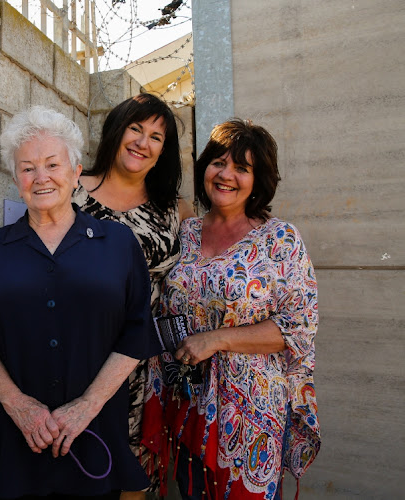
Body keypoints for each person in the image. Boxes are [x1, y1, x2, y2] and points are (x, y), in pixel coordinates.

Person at [0, 94, 196, 499]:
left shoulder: (125, 238)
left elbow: (138, 326)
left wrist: (87, 406)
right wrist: (20, 406)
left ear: (74, 172)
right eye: (27, 168)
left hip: (113, 396)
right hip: (15, 436)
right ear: (15, 177)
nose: (41, 177)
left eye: (52, 165)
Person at [142, 119, 321, 499]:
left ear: (260, 179)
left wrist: (216, 340)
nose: (226, 175)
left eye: (242, 168)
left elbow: (297, 327)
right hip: (187, 400)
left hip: (251, 413)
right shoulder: (184, 231)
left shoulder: (280, 240)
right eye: (218, 163)